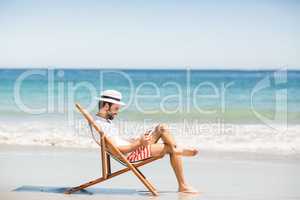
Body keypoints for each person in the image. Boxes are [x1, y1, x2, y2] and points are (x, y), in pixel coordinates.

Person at [95, 89, 199, 194]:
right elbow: (119, 150)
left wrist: (136, 140)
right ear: (106, 106)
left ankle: (177, 150)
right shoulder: (101, 126)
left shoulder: (104, 122)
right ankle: (182, 183)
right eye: (116, 108)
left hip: (134, 147)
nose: (117, 112)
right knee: (169, 148)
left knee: (161, 128)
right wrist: (139, 143)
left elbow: (118, 142)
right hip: (130, 155)